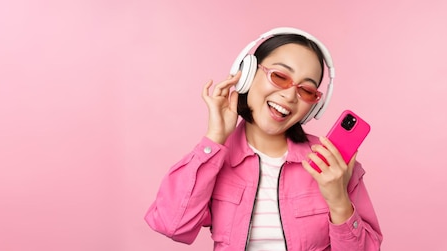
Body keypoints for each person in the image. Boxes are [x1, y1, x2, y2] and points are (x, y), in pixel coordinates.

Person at [144, 27, 383, 251]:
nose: (290, 96)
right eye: (279, 76)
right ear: (246, 75)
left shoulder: (334, 164)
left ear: (313, 107)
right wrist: (215, 139)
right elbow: (171, 225)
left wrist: (339, 201)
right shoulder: (216, 160)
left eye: (307, 90)